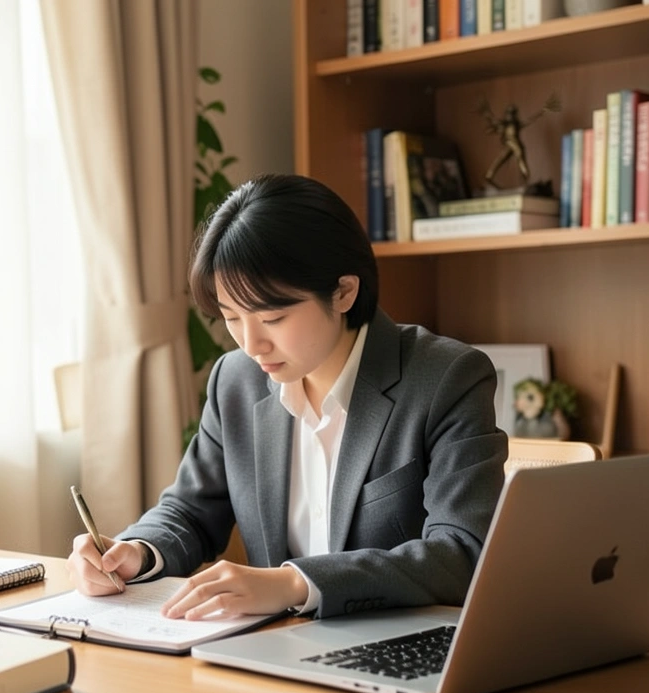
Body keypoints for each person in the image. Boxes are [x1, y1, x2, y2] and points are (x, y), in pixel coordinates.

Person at [68, 174, 507, 620]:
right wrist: (137, 551)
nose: (250, 344)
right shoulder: (236, 381)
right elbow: (191, 511)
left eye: (272, 318)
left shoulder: (446, 378)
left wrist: (295, 584)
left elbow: (460, 552)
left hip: (397, 640)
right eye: (231, 318)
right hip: (272, 644)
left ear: (343, 292)